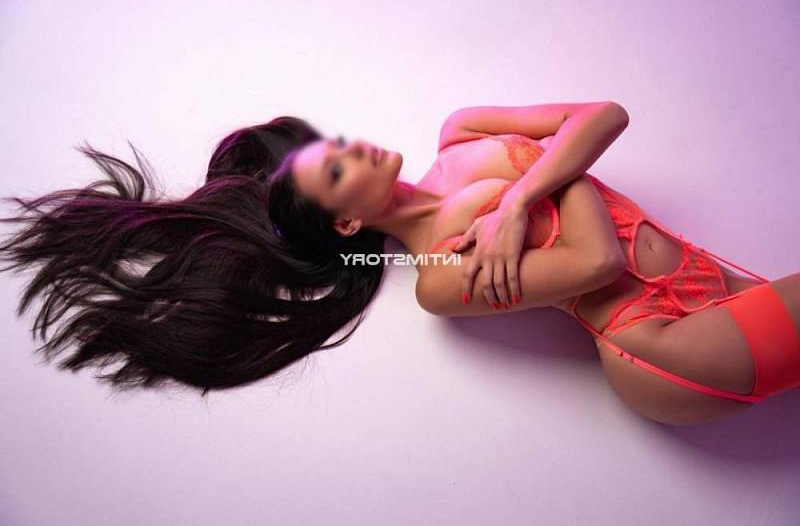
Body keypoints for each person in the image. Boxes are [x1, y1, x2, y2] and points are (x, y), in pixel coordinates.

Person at [1, 105, 798, 426]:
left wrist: (519, 202)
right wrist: (551, 169)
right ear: (348, 222)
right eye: (338, 168)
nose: (354, 147)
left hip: (710, 273)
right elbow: (596, 259)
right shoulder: (442, 280)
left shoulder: (462, 134)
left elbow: (605, 115)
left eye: (336, 143)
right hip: (657, 346)